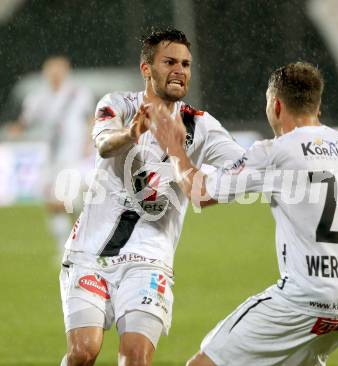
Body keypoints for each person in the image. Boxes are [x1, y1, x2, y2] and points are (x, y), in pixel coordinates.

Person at [149, 62, 338, 366]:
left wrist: (175, 148)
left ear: (276, 105)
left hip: (304, 297)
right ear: (317, 104)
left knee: (203, 363)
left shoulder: (277, 151)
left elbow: (201, 192)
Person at [59, 27, 244, 366]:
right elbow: (102, 145)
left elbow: (241, 167)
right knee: (83, 352)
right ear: (146, 69)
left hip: (149, 260)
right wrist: (132, 132)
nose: (180, 71)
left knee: (137, 359)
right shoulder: (117, 105)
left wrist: (209, 184)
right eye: (169, 62)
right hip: (90, 251)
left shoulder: (200, 126)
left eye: (186, 65)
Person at [7, 56, 94, 258]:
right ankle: (64, 248)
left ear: (66, 71)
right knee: (53, 204)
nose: (55, 74)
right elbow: (24, 122)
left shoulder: (79, 94)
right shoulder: (37, 98)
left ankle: (81, 241)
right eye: (51, 70)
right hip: (49, 158)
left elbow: (91, 118)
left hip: (72, 156)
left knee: (64, 199)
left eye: (59, 70)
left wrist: (89, 141)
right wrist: (15, 130)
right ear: (46, 73)